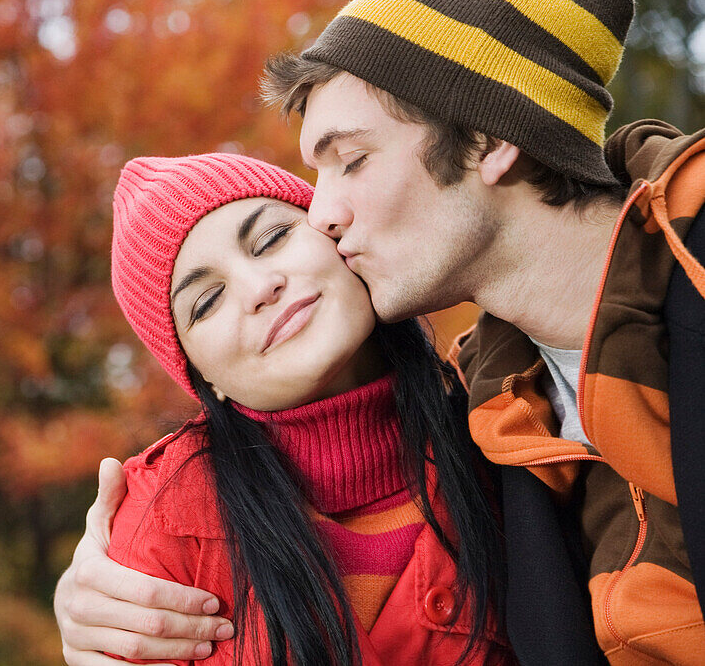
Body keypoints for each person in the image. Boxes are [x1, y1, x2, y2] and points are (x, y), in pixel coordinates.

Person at [55, 0, 705, 663]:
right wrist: (91, 605)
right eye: (203, 303)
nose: (323, 215)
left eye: (351, 160)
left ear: (491, 133)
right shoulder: (509, 412)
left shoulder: (490, 432)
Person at [100, 152, 510, 665]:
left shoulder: (509, 428)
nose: (259, 288)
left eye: (271, 239)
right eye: (206, 301)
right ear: (201, 378)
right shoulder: (162, 522)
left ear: (337, 238)